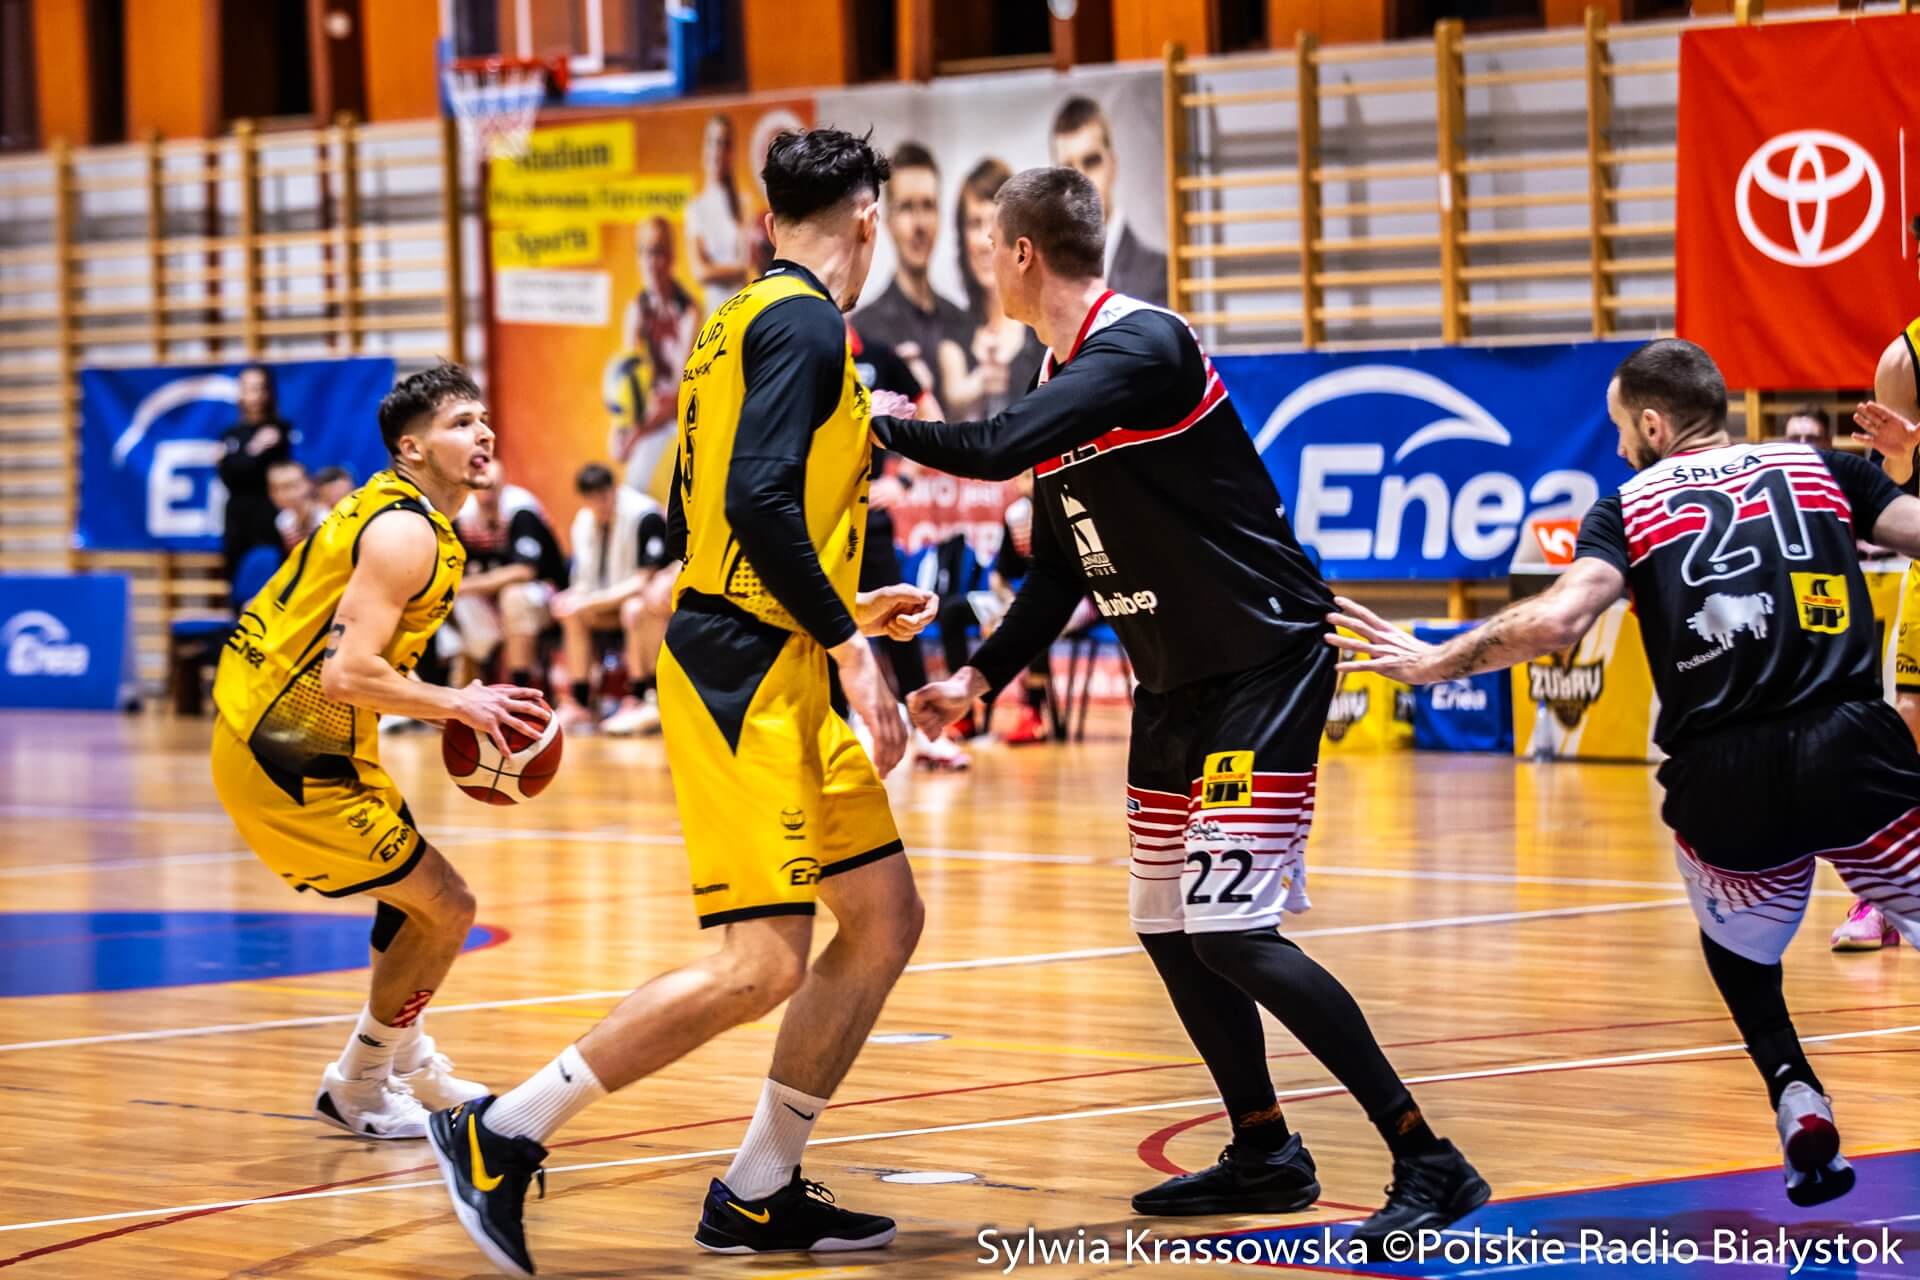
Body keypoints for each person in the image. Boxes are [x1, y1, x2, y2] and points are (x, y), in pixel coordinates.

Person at [876, 166, 1484, 1252]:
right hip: (1172, 683)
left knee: (1232, 931)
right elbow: (1062, 567)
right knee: (1167, 925)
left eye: (991, 244)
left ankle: (1426, 1154)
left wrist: (879, 424)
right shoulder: (1060, 372)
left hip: (1263, 665)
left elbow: (996, 447)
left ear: (1022, 253)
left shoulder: (1143, 345)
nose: (985, 262)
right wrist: (978, 679)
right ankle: (1264, 1147)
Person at [429, 127, 938, 1277]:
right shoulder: (809, 321)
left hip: (770, 643)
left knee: (884, 916)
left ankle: (758, 1186)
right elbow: (755, 500)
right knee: (758, 963)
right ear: (869, 219)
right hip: (745, 670)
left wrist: (844, 602)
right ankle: (502, 1130)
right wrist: (853, 644)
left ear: (766, 223)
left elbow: (693, 504)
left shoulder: (730, 318)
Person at [1329, 338, 1920, 1210]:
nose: (1614, 447)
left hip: (1723, 782)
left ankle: (1793, 1085)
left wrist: (1431, 660)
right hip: (1855, 755)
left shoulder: (1628, 507)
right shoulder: (1823, 469)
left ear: (1651, 424)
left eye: (1617, 429)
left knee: (1740, 953)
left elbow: (1559, 622)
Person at [209, 363, 548, 1139]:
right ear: (412, 448)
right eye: (460, 423)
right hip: (282, 754)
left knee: (416, 904)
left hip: (314, 737)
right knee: (448, 906)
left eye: (482, 418)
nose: (483, 433)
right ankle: (359, 1084)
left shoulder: (404, 511)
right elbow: (347, 672)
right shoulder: (404, 533)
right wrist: (459, 702)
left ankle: (405, 1058)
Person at [1833, 317, 1920, 950]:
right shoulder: (1904, 360)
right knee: (1910, 721)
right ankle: (1886, 895)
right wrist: (1903, 457)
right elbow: (1890, 501)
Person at [548, 462, 675, 735]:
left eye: (603, 497)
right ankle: (579, 701)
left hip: (643, 603)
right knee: (571, 613)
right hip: (606, 603)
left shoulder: (644, 515)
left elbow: (644, 581)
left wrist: (590, 601)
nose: (598, 505)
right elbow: (583, 580)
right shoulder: (583, 521)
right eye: (591, 499)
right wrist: (572, 597)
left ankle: (641, 696)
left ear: (614, 490)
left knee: (634, 608)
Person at [852, 142, 974, 411]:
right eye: (907, 207)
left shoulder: (963, 322)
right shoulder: (866, 329)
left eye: (928, 206)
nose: (919, 224)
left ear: (940, 215)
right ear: (888, 221)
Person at [446, 458, 568, 691]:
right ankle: (465, 678)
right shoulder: (461, 517)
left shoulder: (521, 510)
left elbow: (524, 571)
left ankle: (519, 686)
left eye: (492, 486)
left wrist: (469, 585)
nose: (487, 493)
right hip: (487, 599)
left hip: (545, 595)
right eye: (481, 486)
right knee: (447, 599)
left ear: (504, 484)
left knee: (514, 596)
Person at [612, 215, 700, 499]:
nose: (651, 263)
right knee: (631, 484)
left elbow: (680, 392)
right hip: (651, 415)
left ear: (671, 257)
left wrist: (636, 432)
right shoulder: (636, 310)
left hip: (683, 415)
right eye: (644, 253)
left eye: (657, 253)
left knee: (645, 483)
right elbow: (628, 380)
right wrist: (622, 426)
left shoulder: (688, 312)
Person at [1050, 96, 1168, 307]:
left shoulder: (1156, 272)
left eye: (1091, 161)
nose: (1082, 179)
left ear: (1112, 165)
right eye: (1069, 170)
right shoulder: (1047, 281)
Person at [956, 158, 1046, 419]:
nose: (986, 241)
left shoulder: (1045, 334)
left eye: (995, 223)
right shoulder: (953, 331)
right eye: (974, 223)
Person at [218, 364, 294, 585]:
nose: (254, 395)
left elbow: (268, 473)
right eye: (248, 387)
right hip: (236, 520)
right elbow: (229, 477)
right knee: (236, 581)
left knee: (270, 580)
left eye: (259, 388)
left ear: (268, 392)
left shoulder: (279, 429)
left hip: (267, 518)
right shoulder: (231, 433)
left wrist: (237, 458)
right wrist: (253, 450)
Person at [685, 114, 754, 318]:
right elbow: (700, 272)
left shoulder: (744, 204)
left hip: (744, 312)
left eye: (724, 144)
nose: (717, 150)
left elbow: (750, 264)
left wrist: (718, 270)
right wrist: (738, 270)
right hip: (715, 316)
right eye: (713, 142)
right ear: (704, 149)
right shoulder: (696, 209)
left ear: (731, 153)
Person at [267, 458, 323, 553]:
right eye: (275, 488)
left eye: (291, 486)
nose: (282, 494)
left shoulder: (327, 515)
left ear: (309, 483)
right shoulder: (283, 519)